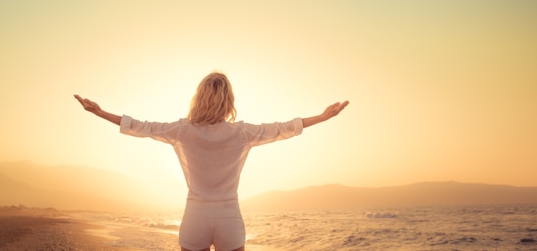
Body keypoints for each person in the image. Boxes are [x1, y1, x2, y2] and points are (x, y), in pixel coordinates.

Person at [75, 72, 349, 251]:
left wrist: (99, 112)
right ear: (229, 101)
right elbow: (283, 128)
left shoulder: (182, 130)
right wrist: (323, 117)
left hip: (195, 216)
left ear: (199, 98)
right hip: (230, 217)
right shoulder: (242, 132)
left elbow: (140, 127)